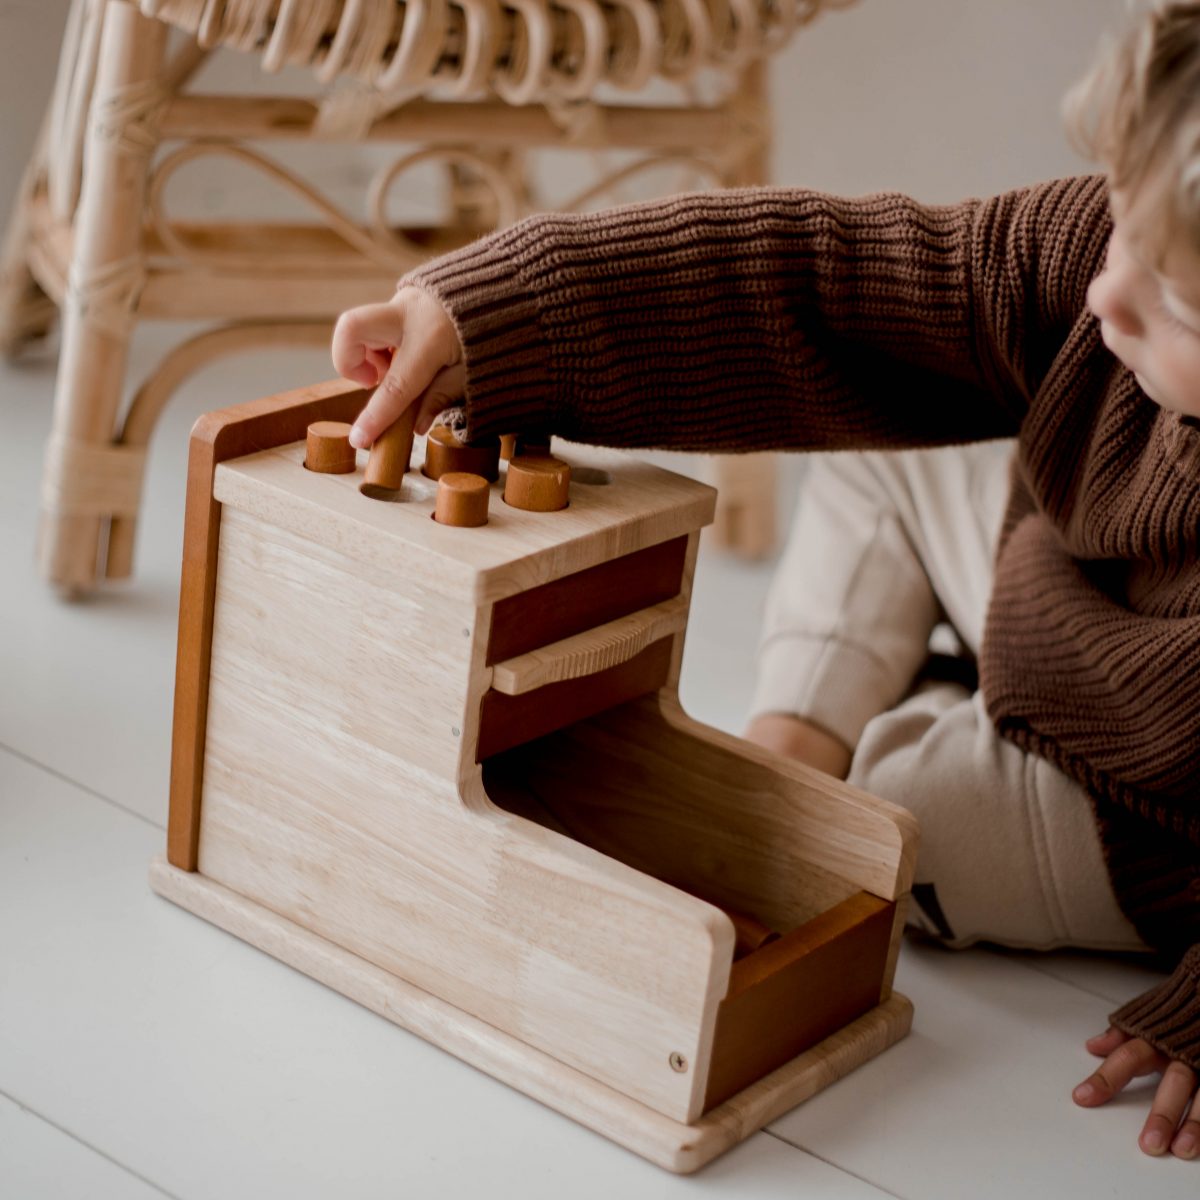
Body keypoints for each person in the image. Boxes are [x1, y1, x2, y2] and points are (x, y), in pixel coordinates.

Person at [333, 2, 1200, 1161]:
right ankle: (793, 738)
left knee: (903, 836)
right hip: (1058, 579)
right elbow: (831, 282)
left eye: (1177, 298)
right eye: (1118, 219)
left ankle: (882, 747)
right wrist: (502, 314)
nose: (1108, 294)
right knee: (874, 474)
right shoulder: (1105, 266)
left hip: (1157, 801)